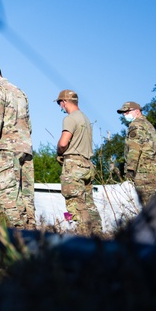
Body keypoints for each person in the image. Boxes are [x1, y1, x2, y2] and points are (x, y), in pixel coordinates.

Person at [0, 63, 36, 229]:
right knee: (26, 194)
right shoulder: (20, 92)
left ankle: (22, 232)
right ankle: (33, 231)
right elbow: (29, 124)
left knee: (8, 193)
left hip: (5, 148)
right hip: (25, 147)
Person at [55, 90, 101, 230]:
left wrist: (59, 151)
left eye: (60, 103)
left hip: (74, 165)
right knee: (89, 204)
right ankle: (98, 235)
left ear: (64, 102)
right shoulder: (86, 119)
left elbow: (63, 143)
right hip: (87, 164)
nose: (60, 107)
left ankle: (85, 235)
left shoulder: (70, 118)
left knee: (76, 203)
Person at [118, 101, 156, 206]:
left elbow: (134, 148)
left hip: (144, 171)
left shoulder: (135, 125)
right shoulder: (148, 124)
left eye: (127, 111)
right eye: (124, 113)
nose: (124, 114)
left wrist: (130, 170)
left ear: (137, 111)